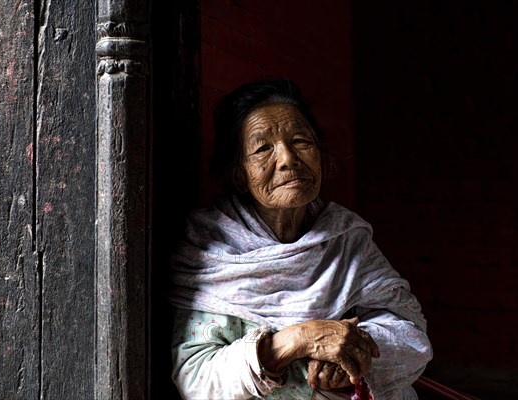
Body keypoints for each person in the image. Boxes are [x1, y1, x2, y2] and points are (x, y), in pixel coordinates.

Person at [168, 78, 432, 400]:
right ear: (239, 173)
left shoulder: (345, 238)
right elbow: (194, 378)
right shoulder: (211, 251)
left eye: (300, 141)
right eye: (263, 148)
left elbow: (409, 333)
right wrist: (296, 340)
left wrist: (354, 352)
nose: (287, 159)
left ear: (320, 154)